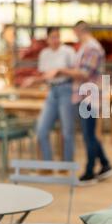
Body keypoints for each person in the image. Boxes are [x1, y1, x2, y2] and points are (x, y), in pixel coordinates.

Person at [44, 21, 112, 186]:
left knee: (88, 136)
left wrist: (61, 71)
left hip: (89, 97)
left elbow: (83, 73)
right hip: (84, 97)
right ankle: (105, 164)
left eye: (75, 33)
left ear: (79, 31)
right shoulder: (86, 48)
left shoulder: (92, 48)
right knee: (89, 134)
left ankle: (90, 172)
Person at [21, 27, 76, 163]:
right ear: (47, 39)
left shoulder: (68, 52)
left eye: (58, 37)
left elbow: (76, 71)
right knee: (41, 130)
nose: (56, 40)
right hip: (52, 92)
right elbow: (44, 75)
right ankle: (48, 164)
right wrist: (33, 80)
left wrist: (60, 71)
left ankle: (67, 165)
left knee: (67, 132)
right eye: (53, 37)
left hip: (66, 89)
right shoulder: (44, 54)